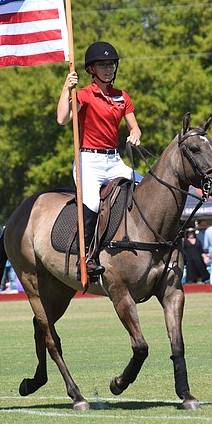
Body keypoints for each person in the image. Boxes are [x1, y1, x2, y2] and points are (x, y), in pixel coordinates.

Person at [56, 41, 142, 278]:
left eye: (110, 64)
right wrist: (66, 88)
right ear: (91, 69)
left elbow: (134, 127)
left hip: (114, 161)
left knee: (144, 187)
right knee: (93, 203)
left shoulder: (122, 97)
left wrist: (134, 135)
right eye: (102, 64)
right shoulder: (84, 94)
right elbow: (63, 118)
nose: (108, 68)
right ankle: (87, 257)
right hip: (88, 161)